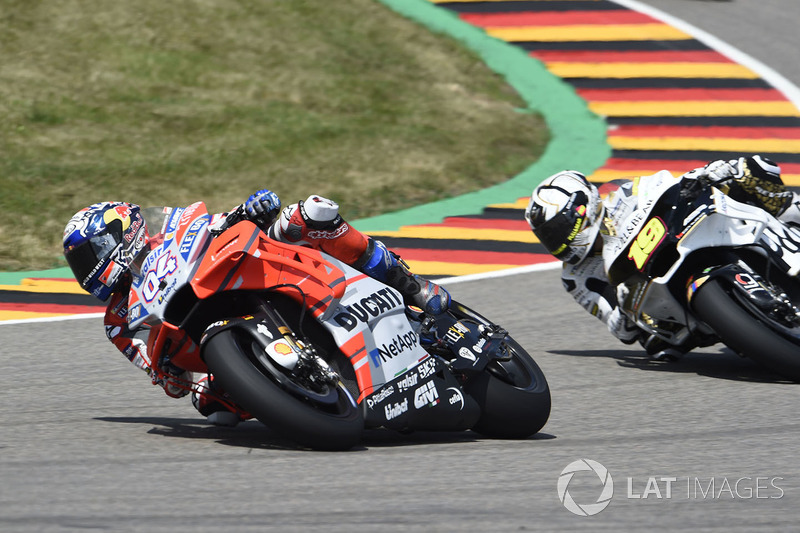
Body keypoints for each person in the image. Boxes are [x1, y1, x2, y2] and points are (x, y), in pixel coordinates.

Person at [63, 192, 450, 426]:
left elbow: (214, 225)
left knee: (310, 213)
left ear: (120, 232)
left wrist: (249, 209)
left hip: (247, 269)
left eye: (89, 254)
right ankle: (308, 401)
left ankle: (409, 285)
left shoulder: (172, 226)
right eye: (81, 263)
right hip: (203, 338)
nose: (88, 268)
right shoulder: (118, 322)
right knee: (212, 407)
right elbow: (165, 380)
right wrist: (167, 373)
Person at [524, 155, 800, 360]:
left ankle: (791, 224)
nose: (558, 240)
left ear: (583, 208)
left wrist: (708, 174)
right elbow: (620, 330)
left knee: (752, 170)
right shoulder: (576, 277)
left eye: (558, 229)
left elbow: (671, 187)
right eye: (548, 236)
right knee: (658, 347)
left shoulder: (627, 194)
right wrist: (623, 307)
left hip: (685, 240)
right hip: (659, 303)